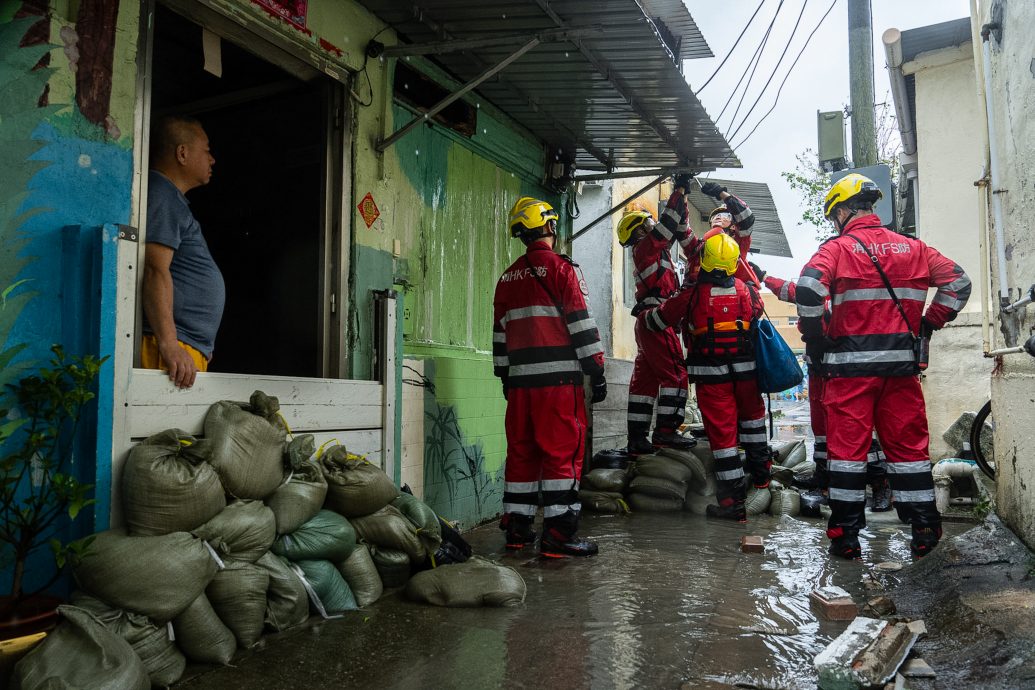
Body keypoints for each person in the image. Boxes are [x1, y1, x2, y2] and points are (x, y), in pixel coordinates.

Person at [796, 173, 971, 559]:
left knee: (847, 455)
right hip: (901, 372)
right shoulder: (915, 248)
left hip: (848, 373)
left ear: (842, 210)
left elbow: (808, 289)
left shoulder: (837, 249)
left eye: (833, 215)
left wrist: (815, 335)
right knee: (909, 451)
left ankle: (845, 537)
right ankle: (925, 531)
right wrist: (930, 321)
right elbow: (959, 283)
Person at [492, 197, 607, 558]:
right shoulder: (562, 269)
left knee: (522, 455)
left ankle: (517, 531)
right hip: (558, 385)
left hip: (520, 386)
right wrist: (596, 369)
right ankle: (559, 535)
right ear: (549, 227)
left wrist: (504, 376)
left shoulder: (507, 277)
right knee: (561, 456)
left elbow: (499, 334)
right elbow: (581, 323)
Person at [644, 232, 768, 522]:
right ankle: (761, 478)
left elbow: (659, 321)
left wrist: (646, 312)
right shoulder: (747, 290)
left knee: (723, 437)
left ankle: (733, 502)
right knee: (753, 421)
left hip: (712, 376)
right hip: (747, 372)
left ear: (706, 260)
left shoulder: (692, 293)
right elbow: (757, 314)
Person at [752, 264, 892, 512]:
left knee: (856, 429)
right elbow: (792, 291)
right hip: (819, 367)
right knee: (822, 429)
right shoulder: (818, 291)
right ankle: (824, 480)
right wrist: (764, 277)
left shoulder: (851, 294)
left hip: (845, 370)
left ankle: (880, 484)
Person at [141, 115, 224, 389]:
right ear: (182, 153)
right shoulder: (162, 194)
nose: (212, 160)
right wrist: (170, 344)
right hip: (169, 351)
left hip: (181, 349)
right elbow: (154, 269)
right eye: (207, 150)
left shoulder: (170, 198)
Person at [618, 196, 697, 455]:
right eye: (648, 222)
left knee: (644, 383)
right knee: (675, 375)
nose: (654, 225)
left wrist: (683, 199)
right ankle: (666, 433)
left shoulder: (652, 250)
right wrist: (679, 190)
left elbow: (675, 224)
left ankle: (638, 439)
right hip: (657, 319)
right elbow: (668, 223)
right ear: (640, 230)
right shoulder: (646, 247)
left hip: (646, 322)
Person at [683, 181, 755, 286]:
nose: (718, 217)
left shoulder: (739, 243)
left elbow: (747, 219)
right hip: (696, 296)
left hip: (728, 296)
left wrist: (721, 193)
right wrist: (682, 194)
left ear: (734, 226)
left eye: (725, 216)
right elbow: (682, 227)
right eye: (715, 216)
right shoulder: (698, 246)